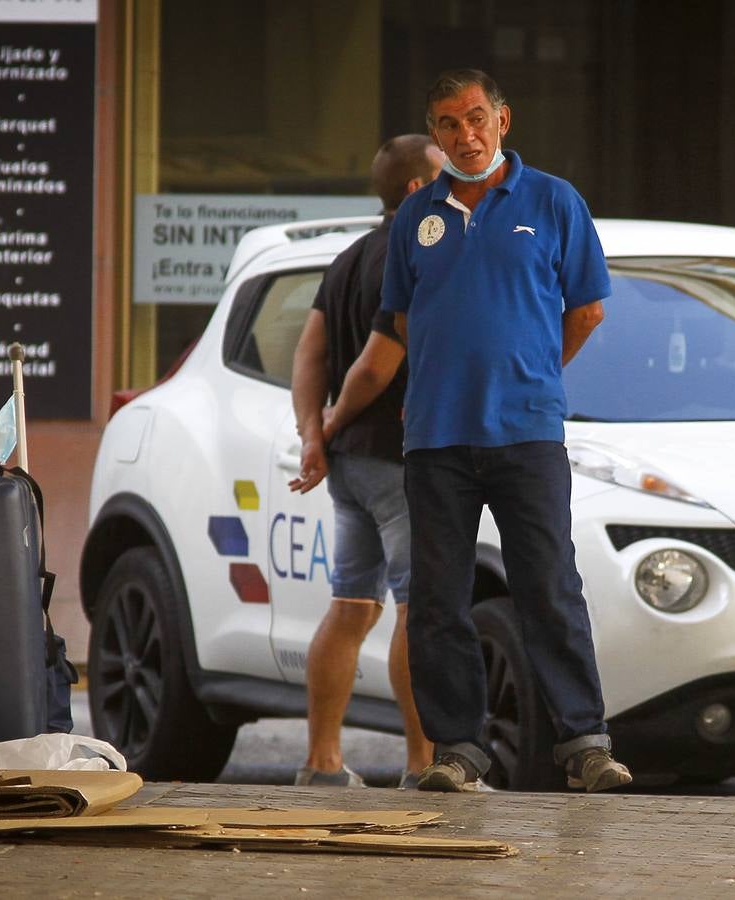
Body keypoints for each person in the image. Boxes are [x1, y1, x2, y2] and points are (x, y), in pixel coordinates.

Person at [379, 68, 632, 793]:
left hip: (526, 434)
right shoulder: (414, 217)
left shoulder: (554, 201)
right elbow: (403, 318)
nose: (466, 135)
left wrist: (529, 372)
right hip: (436, 439)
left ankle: (585, 743)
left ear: (503, 119)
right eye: (449, 125)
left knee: (549, 588)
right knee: (437, 599)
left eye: (477, 118)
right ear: (434, 136)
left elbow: (587, 310)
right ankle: (458, 749)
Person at [284, 135, 445, 788]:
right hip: (402, 461)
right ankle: (425, 764)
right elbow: (379, 364)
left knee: (351, 606)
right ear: (416, 190)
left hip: (350, 467)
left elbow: (308, 353)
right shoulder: (421, 253)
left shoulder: (348, 259)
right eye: (444, 173)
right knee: (418, 610)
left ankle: (322, 763)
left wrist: (313, 435)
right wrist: (335, 419)